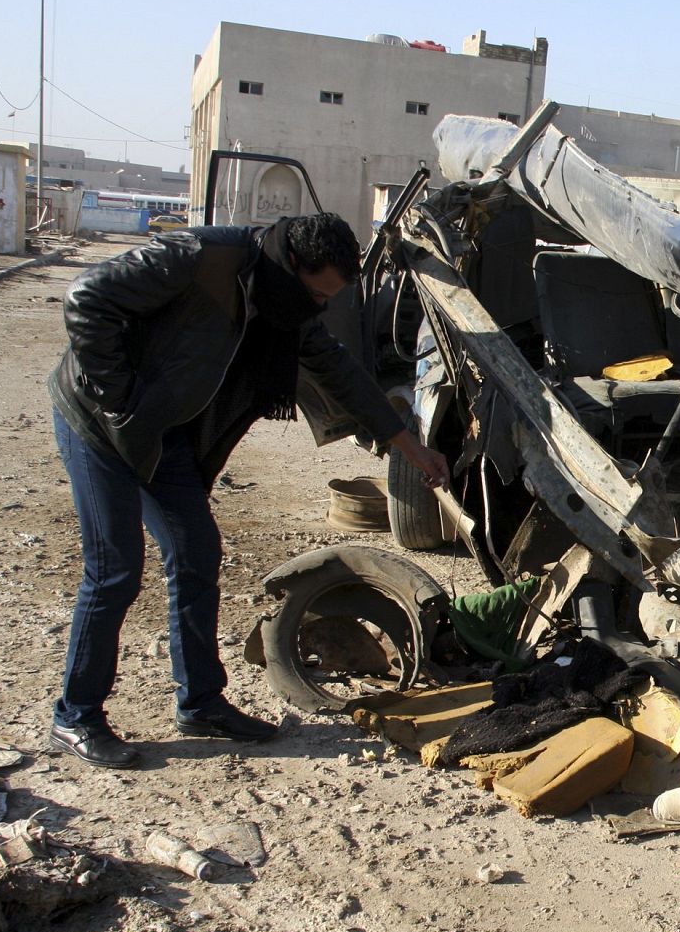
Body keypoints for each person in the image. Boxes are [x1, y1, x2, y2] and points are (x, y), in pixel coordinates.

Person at [46, 212, 450, 769]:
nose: (315, 308)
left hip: (165, 434)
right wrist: (119, 400)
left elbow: (338, 370)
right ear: (292, 265)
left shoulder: (286, 304)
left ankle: (202, 703)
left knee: (196, 556)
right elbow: (86, 298)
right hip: (98, 421)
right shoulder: (199, 258)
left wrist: (410, 445)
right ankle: (76, 715)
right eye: (314, 293)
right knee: (115, 569)